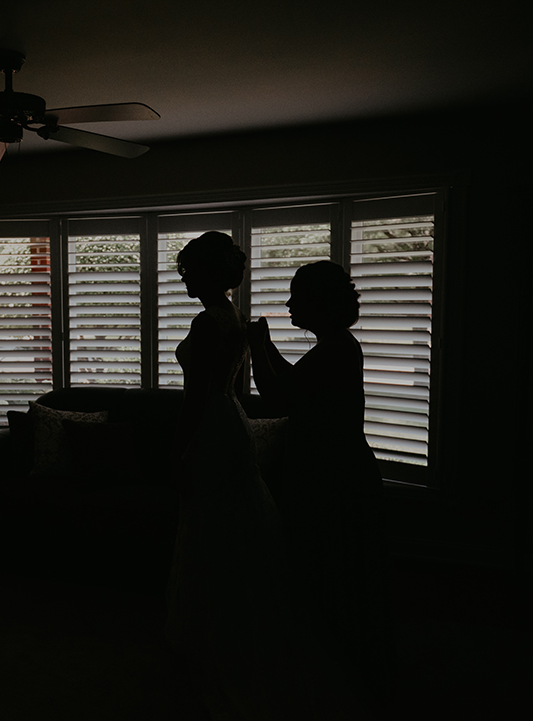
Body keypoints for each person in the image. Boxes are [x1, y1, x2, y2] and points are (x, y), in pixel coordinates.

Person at [167, 233, 360, 720]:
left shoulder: (208, 320)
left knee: (215, 532)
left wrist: (180, 450)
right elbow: (247, 387)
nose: (183, 276)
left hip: (214, 427)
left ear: (210, 273)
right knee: (235, 529)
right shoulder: (230, 316)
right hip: (230, 424)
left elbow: (197, 398)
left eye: (189, 269)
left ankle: (223, 638)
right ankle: (240, 629)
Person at [247, 260, 395, 719]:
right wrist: (268, 347)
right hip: (340, 472)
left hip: (332, 479)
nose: (289, 303)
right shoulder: (337, 347)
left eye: (296, 296)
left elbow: (278, 398)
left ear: (317, 302)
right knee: (339, 571)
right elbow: (297, 384)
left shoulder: (334, 351)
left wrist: (257, 348)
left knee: (328, 570)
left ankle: (337, 677)